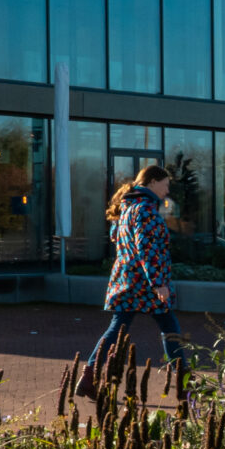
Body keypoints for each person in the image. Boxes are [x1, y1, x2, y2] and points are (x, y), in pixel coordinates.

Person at [85, 163, 186, 383]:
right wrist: (158, 283)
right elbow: (147, 250)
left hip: (127, 281)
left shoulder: (128, 208)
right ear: (152, 182)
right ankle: (183, 381)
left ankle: (88, 375)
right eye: (165, 184)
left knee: (118, 328)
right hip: (146, 285)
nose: (167, 190)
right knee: (170, 328)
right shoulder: (146, 210)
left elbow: (120, 240)